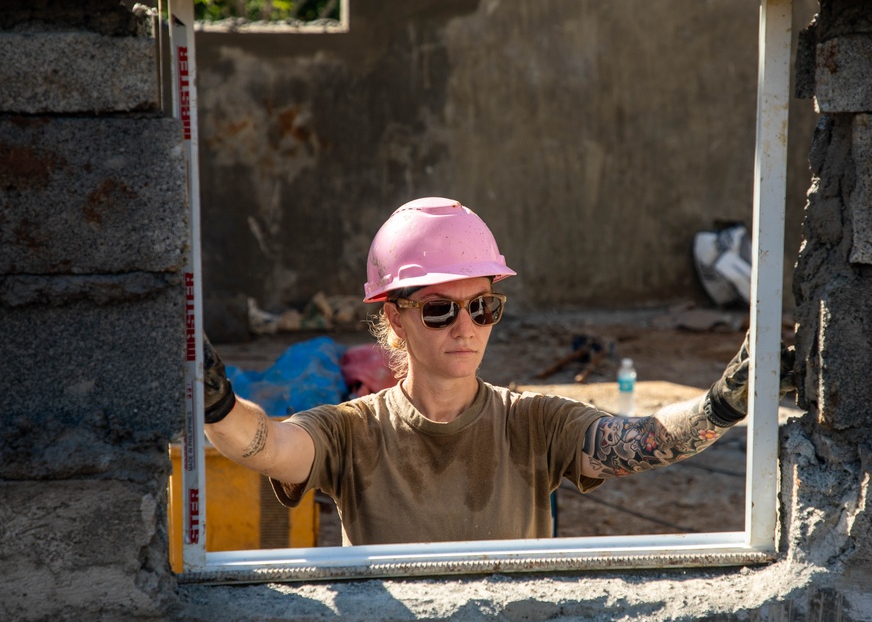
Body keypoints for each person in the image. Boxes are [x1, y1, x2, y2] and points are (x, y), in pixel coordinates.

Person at [203, 196, 795, 546]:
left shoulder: (532, 422)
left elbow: (641, 441)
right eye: (440, 310)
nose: (467, 327)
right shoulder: (353, 432)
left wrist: (723, 402)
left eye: (482, 306)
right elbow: (268, 446)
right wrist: (219, 406)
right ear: (397, 318)